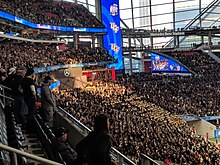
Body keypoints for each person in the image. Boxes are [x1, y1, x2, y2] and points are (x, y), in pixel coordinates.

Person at [21, 68, 37, 132]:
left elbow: (20, 89)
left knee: (27, 112)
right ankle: (29, 127)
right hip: (30, 98)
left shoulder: (23, 80)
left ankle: (26, 126)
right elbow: (33, 90)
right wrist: (35, 96)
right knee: (31, 113)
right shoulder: (30, 80)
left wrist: (25, 93)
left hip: (25, 97)